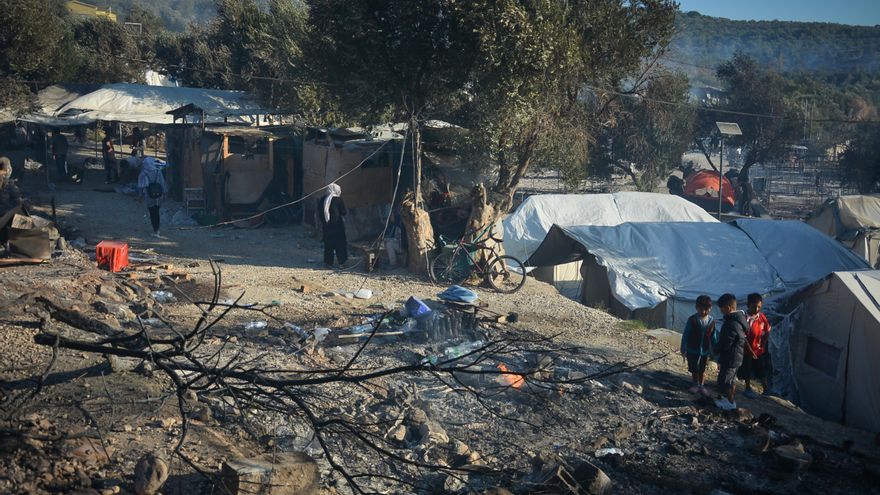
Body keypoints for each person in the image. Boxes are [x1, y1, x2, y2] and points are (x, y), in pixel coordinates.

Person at [714, 293, 748, 411]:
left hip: (730, 357)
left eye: (721, 308)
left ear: (728, 308)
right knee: (731, 380)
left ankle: (730, 402)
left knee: (726, 381)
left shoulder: (732, 323)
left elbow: (726, 342)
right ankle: (728, 400)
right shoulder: (739, 320)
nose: (721, 311)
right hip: (736, 357)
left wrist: (716, 349)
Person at [680, 295, 716, 397]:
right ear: (696, 307)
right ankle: (695, 384)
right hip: (692, 349)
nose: (703, 312)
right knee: (694, 368)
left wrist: (715, 350)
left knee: (702, 369)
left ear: (710, 308)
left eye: (706, 309)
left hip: (704, 350)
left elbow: (713, 336)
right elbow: (686, 334)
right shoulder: (692, 320)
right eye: (701, 309)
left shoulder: (711, 321)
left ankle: (702, 385)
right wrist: (683, 348)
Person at [739, 293, 772, 398]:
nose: (756, 309)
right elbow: (743, 337)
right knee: (747, 368)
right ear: (748, 305)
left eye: (759, 307)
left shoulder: (761, 317)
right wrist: (750, 350)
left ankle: (766, 388)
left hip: (758, 349)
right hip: (746, 350)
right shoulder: (745, 318)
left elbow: (767, 330)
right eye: (754, 307)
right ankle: (747, 387)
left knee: (761, 368)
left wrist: (763, 344)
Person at [138, 157, 167, 238]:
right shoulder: (158, 171)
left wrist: (140, 196)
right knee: (157, 212)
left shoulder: (143, 173)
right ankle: (157, 229)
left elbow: (140, 186)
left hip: (149, 195)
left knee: (152, 212)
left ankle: (155, 229)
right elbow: (163, 183)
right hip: (158, 196)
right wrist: (165, 193)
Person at [320, 183, 347, 267]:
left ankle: (328, 263)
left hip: (326, 225)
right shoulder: (338, 200)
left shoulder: (322, 199)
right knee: (340, 244)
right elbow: (343, 212)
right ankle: (341, 263)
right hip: (337, 226)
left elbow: (319, 213)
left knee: (328, 244)